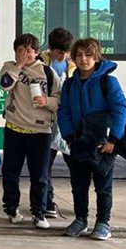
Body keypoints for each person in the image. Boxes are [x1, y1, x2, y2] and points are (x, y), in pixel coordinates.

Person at [58, 38, 126, 241]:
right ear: (73, 58)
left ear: (96, 57)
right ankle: (80, 220)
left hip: (103, 143)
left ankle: (103, 223)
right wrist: (69, 138)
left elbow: (120, 109)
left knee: (103, 186)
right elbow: (64, 112)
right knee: (78, 185)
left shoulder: (108, 82)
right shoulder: (69, 85)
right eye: (79, 55)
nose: (84, 59)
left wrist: (114, 139)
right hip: (78, 143)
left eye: (88, 55)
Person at [0, 33, 62, 229]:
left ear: (37, 52)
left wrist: (46, 101)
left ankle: (39, 212)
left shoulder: (48, 73)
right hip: (14, 128)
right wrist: (18, 65)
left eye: (29, 50)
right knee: (11, 172)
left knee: (40, 175)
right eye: (20, 50)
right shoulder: (10, 67)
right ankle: (11, 208)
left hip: (40, 131)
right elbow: (5, 85)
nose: (25, 54)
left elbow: (59, 100)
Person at [40, 26, 76, 219]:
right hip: (46, 120)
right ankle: (47, 201)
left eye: (66, 52)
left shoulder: (75, 65)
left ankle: (80, 202)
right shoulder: (40, 63)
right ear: (50, 49)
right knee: (45, 164)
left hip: (69, 122)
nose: (64, 56)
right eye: (59, 52)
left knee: (77, 165)